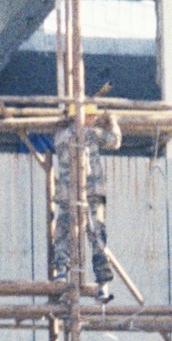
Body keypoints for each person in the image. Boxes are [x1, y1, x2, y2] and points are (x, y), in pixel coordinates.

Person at [49, 105, 121, 304]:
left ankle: (61, 273)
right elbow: (115, 141)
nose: (94, 119)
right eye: (92, 116)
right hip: (91, 193)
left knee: (63, 232)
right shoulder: (89, 133)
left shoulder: (60, 136)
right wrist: (112, 120)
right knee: (97, 237)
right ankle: (103, 285)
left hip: (67, 193)